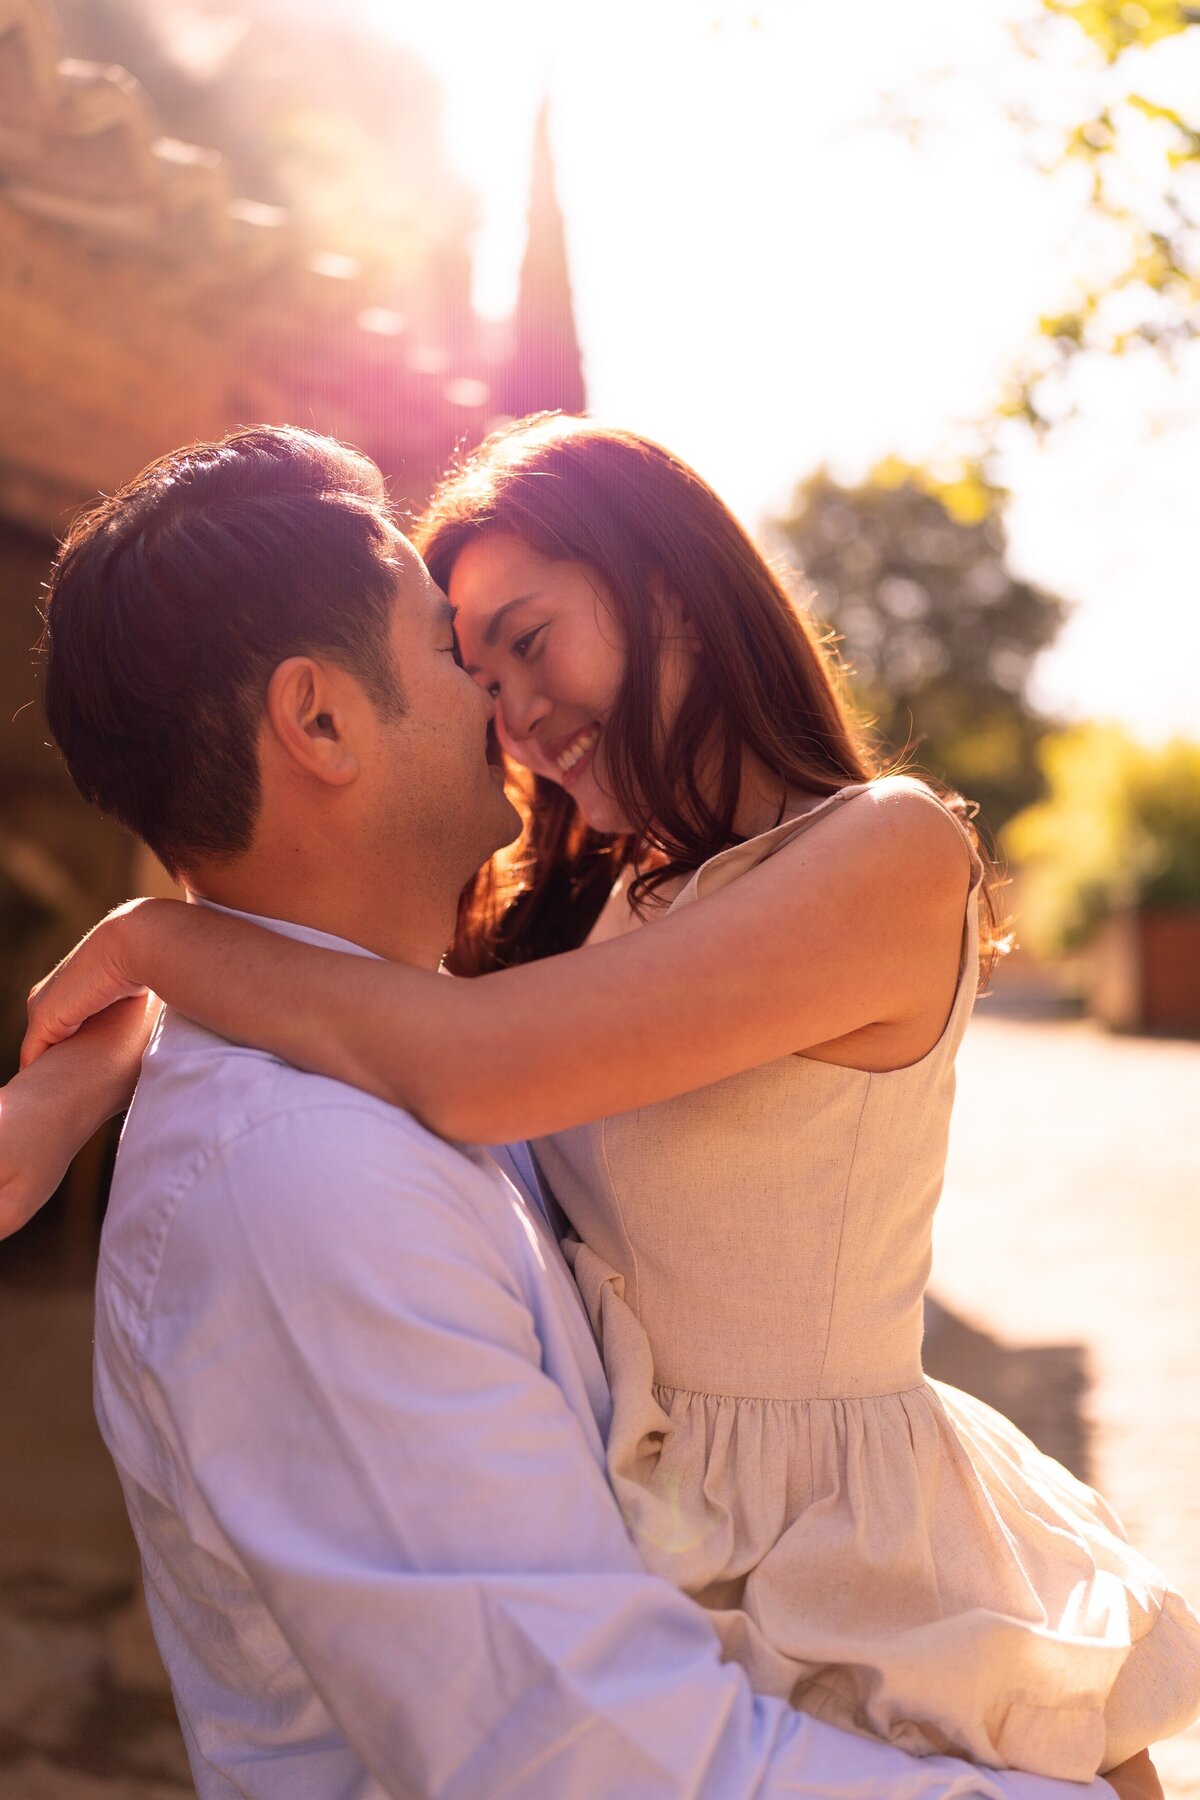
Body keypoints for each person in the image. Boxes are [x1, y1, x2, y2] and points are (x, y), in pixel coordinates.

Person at [8, 423, 1171, 1800]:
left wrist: (159, 951)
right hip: (720, 1605)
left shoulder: (878, 853)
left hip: (860, 1583)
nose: (502, 707)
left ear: (667, 582)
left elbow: (463, 1057)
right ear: (320, 721)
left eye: (520, 640)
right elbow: (589, 1756)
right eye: (461, 656)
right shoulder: (364, 1117)